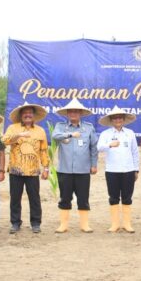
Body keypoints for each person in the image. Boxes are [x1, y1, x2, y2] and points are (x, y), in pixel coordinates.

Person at [51, 98, 98, 233]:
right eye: (71, 111)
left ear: (81, 113)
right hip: (64, 169)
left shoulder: (88, 128)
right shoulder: (60, 126)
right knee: (65, 197)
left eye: (76, 111)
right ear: (67, 113)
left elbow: (93, 148)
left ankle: (84, 224)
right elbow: (55, 136)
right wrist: (70, 134)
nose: (73, 114)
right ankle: (63, 225)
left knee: (83, 197)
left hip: (83, 170)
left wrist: (94, 164)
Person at [2, 102, 50, 234]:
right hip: (16, 169)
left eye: (30, 112)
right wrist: (19, 136)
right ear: (21, 115)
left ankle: (35, 223)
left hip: (33, 171)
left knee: (34, 197)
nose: (27, 115)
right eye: (25, 113)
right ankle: (15, 223)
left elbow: (44, 150)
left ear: (33, 116)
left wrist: (46, 168)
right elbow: (4, 141)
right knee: (15, 198)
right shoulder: (13, 128)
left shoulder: (40, 131)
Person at [97, 106, 140, 233]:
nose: (118, 120)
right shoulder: (106, 134)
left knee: (127, 197)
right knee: (113, 197)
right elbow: (99, 147)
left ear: (124, 119)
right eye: (115, 118)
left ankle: (127, 224)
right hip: (112, 170)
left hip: (128, 170)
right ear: (111, 120)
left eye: (120, 117)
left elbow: (135, 152)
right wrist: (109, 144)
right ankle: (115, 224)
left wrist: (136, 169)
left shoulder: (130, 133)